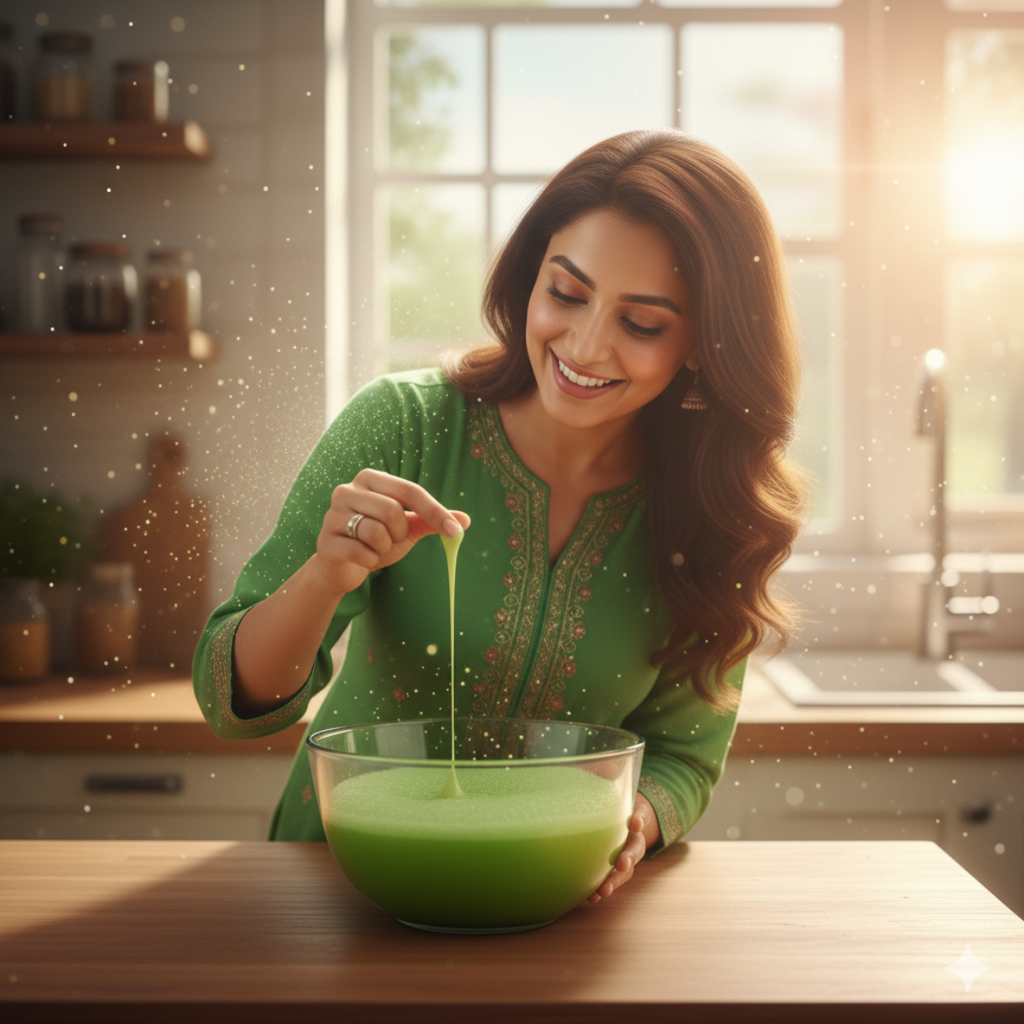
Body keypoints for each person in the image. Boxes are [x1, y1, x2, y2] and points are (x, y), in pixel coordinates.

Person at [192, 128, 805, 903]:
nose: (584, 344)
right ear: (529, 278)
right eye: (567, 292)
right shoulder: (402, 428)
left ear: (702, 343)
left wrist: (638, 821)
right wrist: (325, 575)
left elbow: (683, 756)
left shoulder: (712, 513)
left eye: (642, 324)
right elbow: (229, 702)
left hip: (559, 905)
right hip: (344, 889)